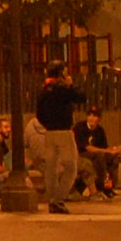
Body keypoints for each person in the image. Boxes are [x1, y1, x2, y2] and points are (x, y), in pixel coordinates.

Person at [32, 64, 81, 213]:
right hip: (64, 132)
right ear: (61, 72)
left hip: (50, 133)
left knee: (51, 168)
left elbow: (39, 114)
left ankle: (52, 200)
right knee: (71, 167)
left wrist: (48, 125)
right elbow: (80, 97)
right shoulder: (62, 88)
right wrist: (71, 84)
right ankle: (58, 200)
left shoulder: (44, 90)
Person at [75, 106, 121, 195]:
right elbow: (88, 148)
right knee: (100, 156)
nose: (91, 118)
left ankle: (110, 186)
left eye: (94, 116)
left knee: (113, 157)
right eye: (89, 115)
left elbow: (105, 147)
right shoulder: (80, 127)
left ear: (99, 119)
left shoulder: (100, 130)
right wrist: (106, 151)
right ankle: (101, 186)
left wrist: (113, 151)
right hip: (81, 154)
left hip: (97, 154)